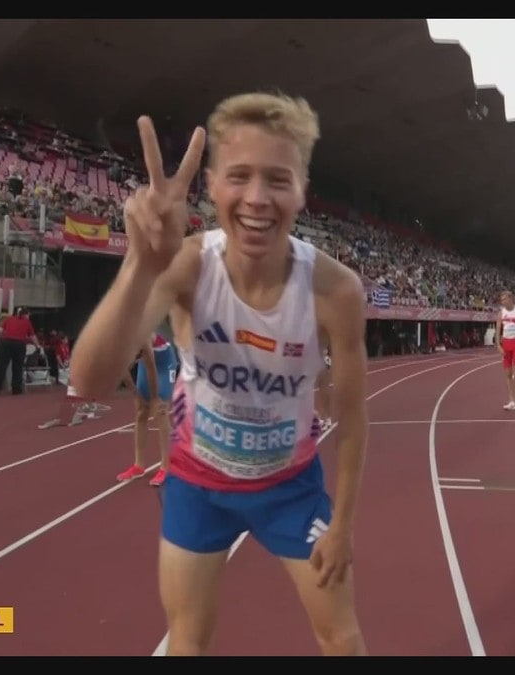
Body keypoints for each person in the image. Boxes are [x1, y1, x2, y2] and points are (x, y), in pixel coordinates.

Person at [69, 92, 368, 656]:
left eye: (278, 180)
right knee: (188, 642)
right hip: (198, 484)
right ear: (211, 185)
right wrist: (141, 264)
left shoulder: (336, 291)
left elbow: (352, 421)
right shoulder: (185, 265)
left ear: (302, 189)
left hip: (291, 490)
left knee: (343, 640)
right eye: (240, 176)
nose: (257, 198)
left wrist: (344, 525)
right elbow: (88, 381)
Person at [117, 331, 178, 487]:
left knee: (161, 411)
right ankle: (139, 465)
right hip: (146, 363)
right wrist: (136, 396)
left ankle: (166, 466)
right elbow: (123, 373)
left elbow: (152, 369)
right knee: (141, 412)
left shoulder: (142, 338)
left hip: (164, 362)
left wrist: (156, 398)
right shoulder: (118, 346)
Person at [0, 306, 41, 396]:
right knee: (17, 367)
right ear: (25, 314)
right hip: (19, 344)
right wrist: (38, 346)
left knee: (0, 366)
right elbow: (33, 336)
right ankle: (16, 389)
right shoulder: (27, 322)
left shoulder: (8, 319)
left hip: (5, 343)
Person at [314, 347, 333, 432]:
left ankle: (324, 419)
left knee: (323, 397)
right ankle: (326, 419)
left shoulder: (326, 359)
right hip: (323, 384)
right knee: (323, 396)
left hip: (324, 384)